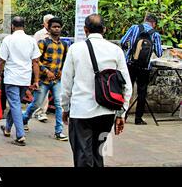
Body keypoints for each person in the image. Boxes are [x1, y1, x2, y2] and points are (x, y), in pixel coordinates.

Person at [61, 14, 133, 167]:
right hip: (106, 112)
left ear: (85, 29)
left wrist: (65, 108)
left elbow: (66, 83)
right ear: (104, 29)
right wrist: (121, 113)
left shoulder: (75, 49)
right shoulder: (116, 50)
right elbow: (126, 85)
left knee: (82, 156)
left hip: (81, 112)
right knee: (98, 153)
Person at [0, 16, 41, 146]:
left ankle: (20, 136)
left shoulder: (8, 39)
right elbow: (36, 61)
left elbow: (2, 61)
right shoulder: (31, 40)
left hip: (11, 78)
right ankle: (8, 128)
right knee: (15, 104)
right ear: (24, 26)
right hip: (25, 78)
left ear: (12, 26)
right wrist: (36, 80)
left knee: (15, 105)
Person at [22, 17, 69, 141]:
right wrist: (46, 71)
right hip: (43, 80)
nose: (57, 29)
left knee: (59, 105)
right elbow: (36, 61)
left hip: (57, 80)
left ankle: (59, 131)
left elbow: (64, 61)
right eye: (54, 27)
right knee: (36, 104)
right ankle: (23, 120)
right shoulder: (43, 42)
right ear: (48, 28)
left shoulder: (64, 44)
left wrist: (61, 71)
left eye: (59, 27)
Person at [120, 14, 163, 125]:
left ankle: (122, 116)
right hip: (145, 67)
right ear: (154, 23)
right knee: (142, 91)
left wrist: (130, 51)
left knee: (127, 89)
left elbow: (123, 42)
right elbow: (159, 53)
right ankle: (138, 119)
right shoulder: (156, 34)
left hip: (130, 63)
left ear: (145, 20)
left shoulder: (134, 28)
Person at [32, 14, 55, 122]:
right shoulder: (39, 35)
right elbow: (34, 52)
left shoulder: (54, 34)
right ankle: (39, 112)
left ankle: (39, 111)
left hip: (53, 68)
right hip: (41, 67)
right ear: (45, 23)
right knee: (42, 91)